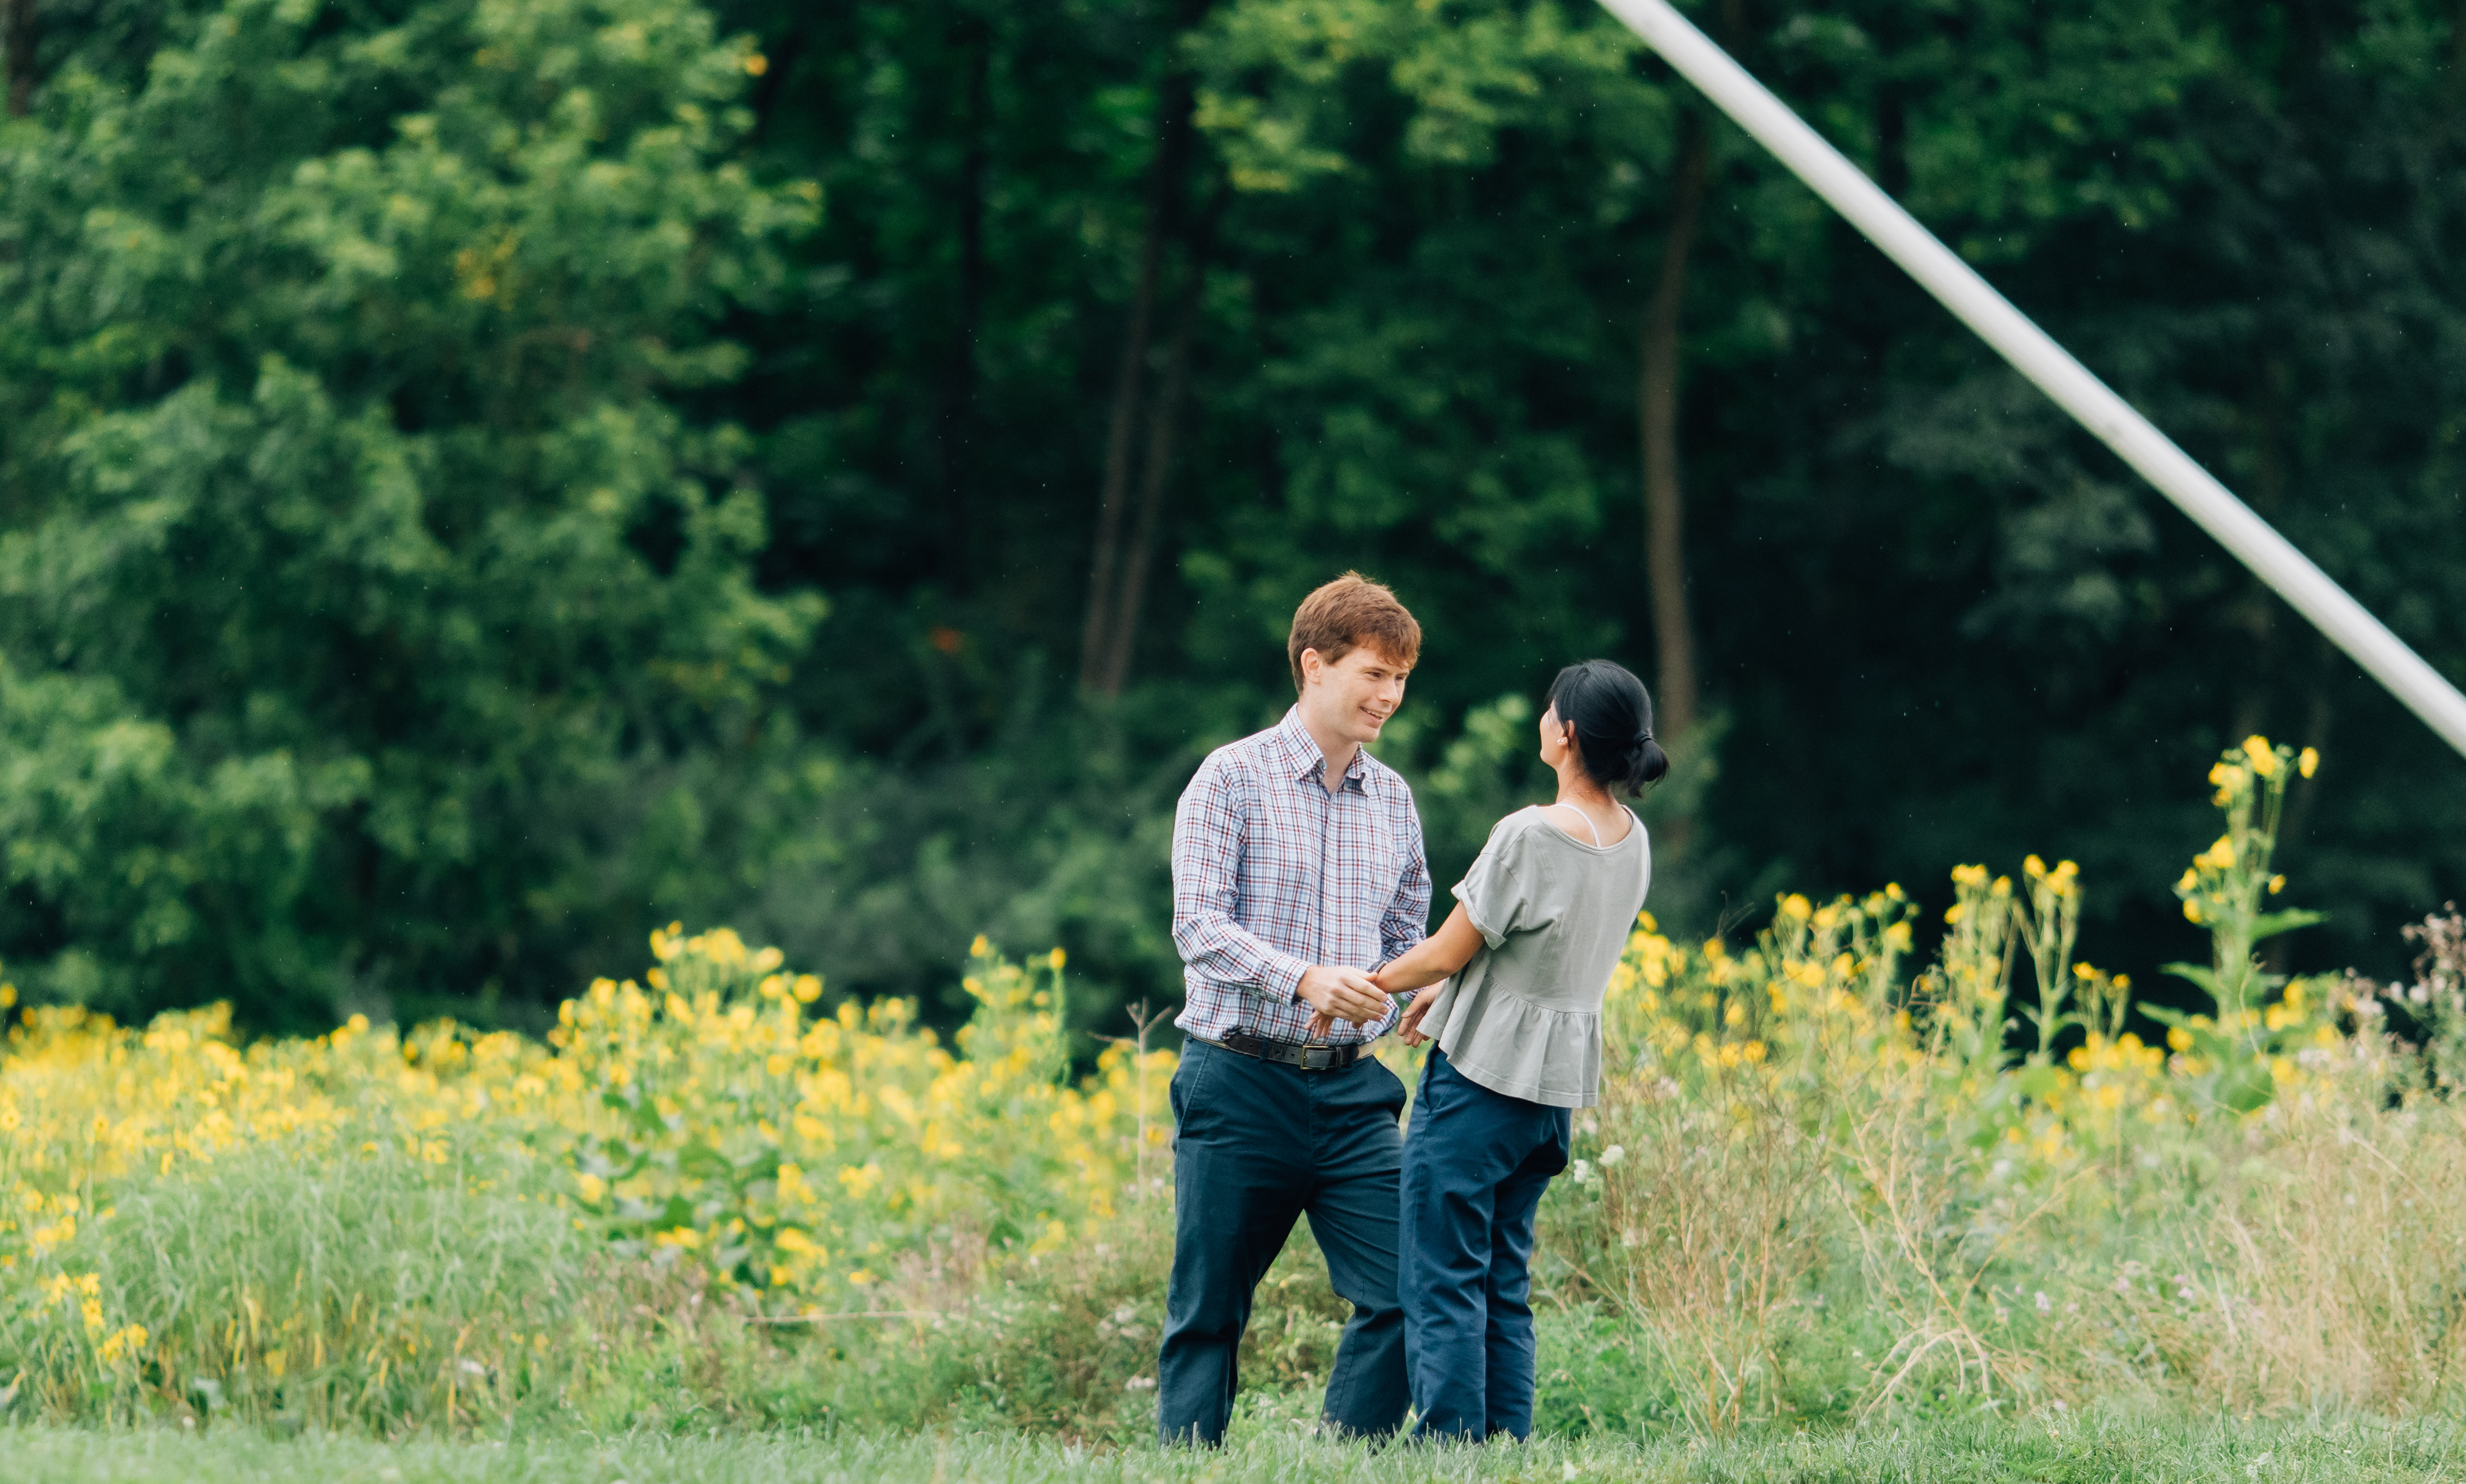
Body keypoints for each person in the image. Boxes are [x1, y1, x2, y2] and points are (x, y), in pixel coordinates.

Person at [1155, 572, 1432, 1446]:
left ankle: (1343, 1460)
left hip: (1353, 1094)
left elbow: (1402, 939)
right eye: (1373, 674)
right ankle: (1187, 1467)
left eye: (1400, 679)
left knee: (1407, 1286)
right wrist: (1304, 978)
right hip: (1236, 1081)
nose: (1388, 696)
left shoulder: (1393, 798)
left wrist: (1393, 1000)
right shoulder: (1228, 777)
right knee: (1207, 1311)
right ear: (1314, 665)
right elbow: (1196, 924)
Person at [1374, 659, 1669, 1443]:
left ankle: (1449, 1449)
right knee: (1503, 1279)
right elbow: (1545, 947)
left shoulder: (1529, 832)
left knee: (1442, 1276)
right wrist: (1456, 986)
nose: (1542, 719)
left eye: (1549, 710)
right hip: (1551, 1095)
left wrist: (1356, 980)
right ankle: (1506, 1445)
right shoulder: (1632, 840)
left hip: (1478, 1085)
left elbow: (1441, 951)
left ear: (1566, 732)